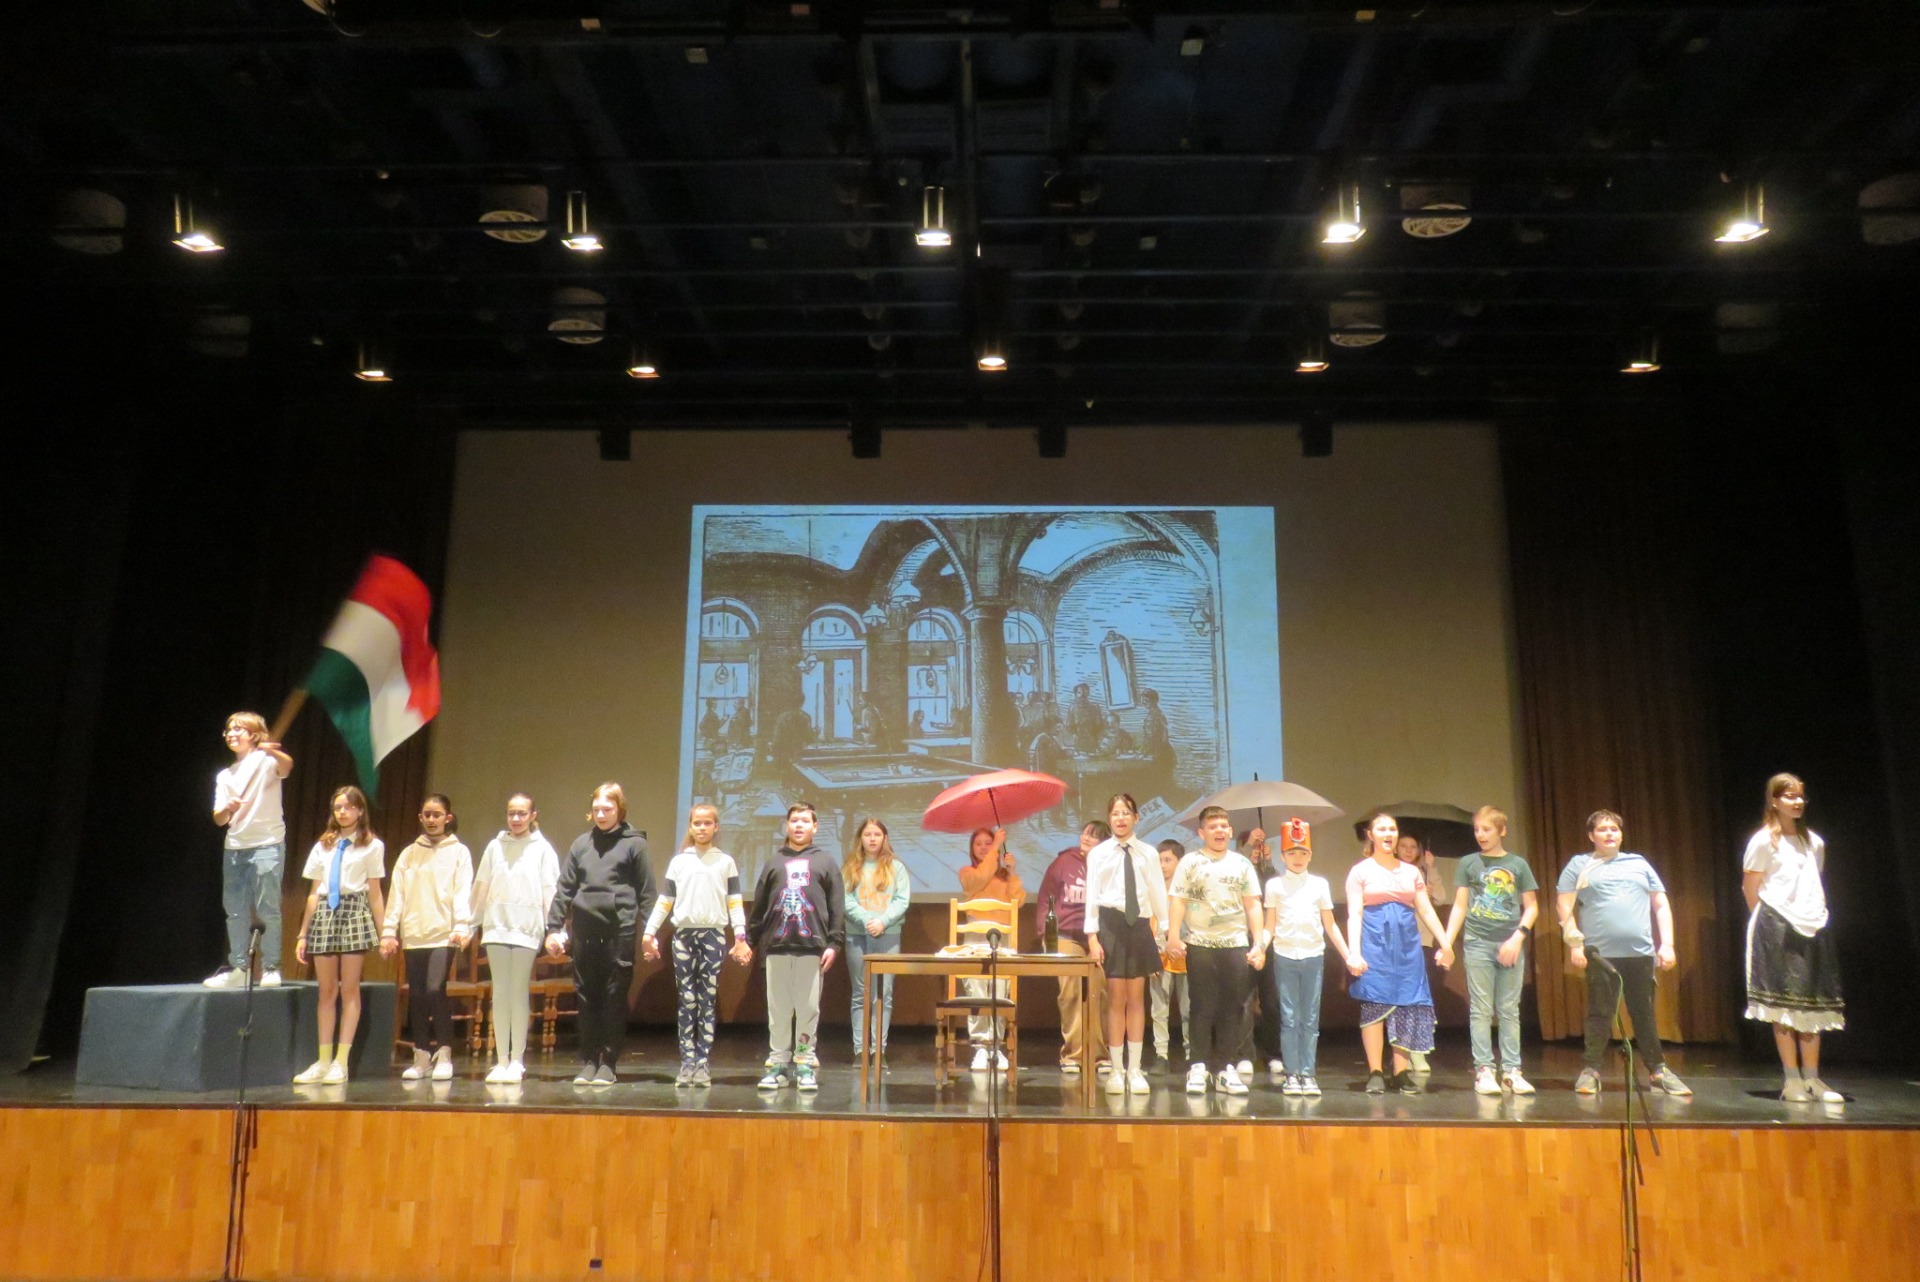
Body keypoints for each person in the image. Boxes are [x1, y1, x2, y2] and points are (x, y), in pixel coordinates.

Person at [1556, 809, 1691, 1096]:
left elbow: (1660, 904)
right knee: (1599, 1014)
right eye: (1602, 829)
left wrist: (1667, 944)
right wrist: (1575, 943)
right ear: (1591, 836)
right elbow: (1564, 906)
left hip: (1640, 953)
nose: (1609, 834)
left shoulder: (1638, 863)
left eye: (1614, 829)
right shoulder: (1580, 864)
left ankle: (1658, 1071)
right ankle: (1591, 1071)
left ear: (1621, 834)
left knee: (1644, 1014)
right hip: (1600, 954)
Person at [544, 783, 656, 1086]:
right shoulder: (581, 844)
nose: (601, 815)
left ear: (620, 810)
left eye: (607, 809)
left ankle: (608, 1062)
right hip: (585, 930)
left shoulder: (635, 844)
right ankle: (590, 1060)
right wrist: (553, 928)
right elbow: (565, 889)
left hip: (619, 930)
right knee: (587, 996)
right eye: (596, 810)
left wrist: (651, 931)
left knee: (613, 996)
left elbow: (647, 893)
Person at [1742, 773, 1845, 1104]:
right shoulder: (1763, 842)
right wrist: (1768, 925)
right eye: (1789, 796)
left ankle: (1812, 1078)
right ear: (1774, 801)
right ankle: (1792, 1080)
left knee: (1812, 1003)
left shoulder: (1814, 842)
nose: (1797, 802)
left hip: (1813, 924)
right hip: (1777, 925)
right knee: (1783, 1003)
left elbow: (1813, 881)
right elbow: (1750, 887)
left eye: (1801, 796)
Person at [643, 803, 750, 1088]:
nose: (702, 828)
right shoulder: (680, 862)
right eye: (697, 823)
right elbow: (665, 900)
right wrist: (649, 931)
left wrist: (740, 935)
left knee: (707, 999)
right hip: (684, 937)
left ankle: (703, 1064)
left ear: (716, 827)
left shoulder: (725, 862)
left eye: (707, 823)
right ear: (690, 827)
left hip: (713, 935)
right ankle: (686, 1062)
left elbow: (734, 901)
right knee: (687, 999)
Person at [1346, 810, 1452, 1095]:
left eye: (1392, 829)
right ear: (1371, 835)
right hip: (1374, 947)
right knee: (1374, 1005)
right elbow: (1355, 913)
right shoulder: (1360, 871)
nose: (1388, 834)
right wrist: (1353, 952)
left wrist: (1445, 943)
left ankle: (1401, 1072)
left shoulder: (1411, 872)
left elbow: (1426, 910)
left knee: (1408, 1006)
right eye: (1381, 829)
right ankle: (1375, 1071)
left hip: (1407, 949)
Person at [1440, 806, 1539, 1096]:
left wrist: (1517, 938)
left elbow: (1532, 907)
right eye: (1477, 830)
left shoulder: (1517, 864)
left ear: (1502, 831)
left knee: (1509, 1009)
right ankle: (1484, 1069)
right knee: (1481, 1008)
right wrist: (1447, 942)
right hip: (1478, 942)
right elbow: (1460, 905)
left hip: (1510, 943)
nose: (1481, 835)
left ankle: (1512, 1071)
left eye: (1487, 829)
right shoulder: (1469, 863)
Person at [291, 786, 387, 1085]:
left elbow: (375, 893)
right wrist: (303, 934)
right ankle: (322, 1060)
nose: (342, 812)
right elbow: (313, 892)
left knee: (349, 990)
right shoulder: (323, 845)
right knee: (326, 991)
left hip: (353, 910)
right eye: (337, 808)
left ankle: (340, 1062)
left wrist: (385, 933)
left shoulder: (372, 845)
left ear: (360, 810)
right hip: (325, 912)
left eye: (347, 807)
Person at [1166, 810, 1264, 1096]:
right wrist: (1173, 936)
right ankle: (1198, 1066)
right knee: (1201, 1006)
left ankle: (1225, 1068)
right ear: (1201, 833)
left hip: (1235, 944)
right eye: (1212, 826)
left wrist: (1258, 943)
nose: (1219, 830)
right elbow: (1178, 901)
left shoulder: (1242, 864)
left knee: (1233, 1007)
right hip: (1199, 943)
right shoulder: (1190, 862)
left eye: (1223, 826)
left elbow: (1253, 905)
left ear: (1230, 831)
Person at [747, 803, 844, 1091]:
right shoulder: (774, 862)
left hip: (812, 947)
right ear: (786, 826)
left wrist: (834, 942)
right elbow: (759, 906)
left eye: (805, 821)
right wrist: (749, 941)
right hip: (776, 947)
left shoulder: (826, 862)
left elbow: (837, 906)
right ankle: (778, 1064)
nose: (799, 825)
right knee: (778, 1010)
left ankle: (804, 1063)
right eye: (794, 820)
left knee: (807, 1009)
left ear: (815, 827)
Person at [379, 794, 474, 1082]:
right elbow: (397, 894)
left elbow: (462, 891)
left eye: (437, 815)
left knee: (435, 989)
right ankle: (421, 1054)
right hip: (414, 932)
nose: (431, 820)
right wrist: (389, 931)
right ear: (420, 818)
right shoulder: (409, 854)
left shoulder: (459, 852)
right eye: (427, 815)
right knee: (417, 994)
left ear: (448, 817)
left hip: (443, 933)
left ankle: (444, 1052)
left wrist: (462, 925)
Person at [1084, 794, 1170, 1095]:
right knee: (1115, 999)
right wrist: (1092, 936)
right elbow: (1092, 896)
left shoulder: (1147, 853)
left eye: (1126, 813)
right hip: (1110, 924)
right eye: (1115, 813)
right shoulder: (1098, 854)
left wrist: (1165, 930)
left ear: (1136, 817)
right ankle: (1116, 1070)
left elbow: (1157, 892)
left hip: (1140, 926)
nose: (1120, 818)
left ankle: (1134, 1069)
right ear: (1109, 818)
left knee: (1136, 998)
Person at [473, 792, 559, 1084]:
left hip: (526, 927)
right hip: (496, 926)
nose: (516, 818)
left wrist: (555, 928)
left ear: (533, 816)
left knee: (518, 990)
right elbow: (481, 887)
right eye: (512, 813)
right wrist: (468, 924)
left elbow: (550, 891)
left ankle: (517, 1061)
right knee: (500, 992)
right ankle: (501, 1061)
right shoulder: (495, 846)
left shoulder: (543, 849)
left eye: (522, 813)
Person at [205, 712, 294, 989]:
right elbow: (219, 818)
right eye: (228, 730)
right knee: (235, 910)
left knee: (268, 908)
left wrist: (271, 751)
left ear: (254, 735)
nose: (231, 734)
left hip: (267, 843)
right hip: (235, 847)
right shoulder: (225, 775)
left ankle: (271, 967)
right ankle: (240, 967)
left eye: (238, 729)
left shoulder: (266, 762)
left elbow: (287, 766)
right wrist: (228, 807)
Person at [1264, 819, 1352, 1097]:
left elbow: (1330, 925)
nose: (1298, 857)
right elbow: (1269, 925)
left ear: (1310, 855)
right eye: (1292, 852)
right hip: (1284, 955)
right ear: (1282, 856)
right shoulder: (1275, 886)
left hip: (1313, 956)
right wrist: (1259, 947)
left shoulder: (1319, 885)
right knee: (1290, 1017)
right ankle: (1292, 1073)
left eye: (1302, 852)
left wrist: (1348, 954)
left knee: (1310, 1017)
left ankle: (1308, 1073)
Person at [1035, 820, 1112, 1075]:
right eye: (1085, 833)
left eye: (1094, 836)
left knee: (1100, 992)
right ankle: (1073, 1054)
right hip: (1066, 935)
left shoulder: (1109, 865)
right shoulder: (1063, 862)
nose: (1086, 838)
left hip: (1099, 937)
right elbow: (1045, 899)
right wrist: (1045, 934)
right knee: (1070, 992)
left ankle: (1100, 1055)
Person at [958, 826, 1026, 1071]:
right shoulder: (967, 872)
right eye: (979, 844)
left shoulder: (1005, 876)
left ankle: (995, 1046)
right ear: (971, 849)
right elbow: (979, 879)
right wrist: (997, 845)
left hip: (1002, 938)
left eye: (988, 843)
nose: (984, 847)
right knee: (976, 990)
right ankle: (980, 1047)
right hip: (976, 937)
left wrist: (1012, 872)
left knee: (999, 991)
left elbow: (1019, 902)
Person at [843, 817, 911, 1061]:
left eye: (877, 834)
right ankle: (860, 1050)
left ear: (885, 838)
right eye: (867, 834)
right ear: (860, 838)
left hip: (887, 934)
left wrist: (882, 921)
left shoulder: (896, 868)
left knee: (884, 993)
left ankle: (878, 1049)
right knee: (860, 993)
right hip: (857, 935)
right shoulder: (851, 867)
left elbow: (901, 900)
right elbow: (845, 899)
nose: (872, 839)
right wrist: (867, 920)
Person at [1233, 826, 1282, 1076]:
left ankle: (1274, 1053)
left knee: (1271, 1002)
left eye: (1258, 847)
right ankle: (1244, 1054)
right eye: (1251, 847)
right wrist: (1248, 847)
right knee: (1243, 1001)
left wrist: (1269, 862)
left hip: (1268, 942)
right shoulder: (1236, 869)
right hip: (1241, 940)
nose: (1255, 851)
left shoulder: (1269, 875)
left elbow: (1278, 892)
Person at [1149, 840, 1190, 1068]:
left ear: (1179, 862)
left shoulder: (1187, 890)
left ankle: (1191, 1053)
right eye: (1160, 860)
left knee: (1189, 1009)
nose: (1163, 865)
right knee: (1159, 1009)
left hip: (1186, 957)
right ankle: (1161, 1054)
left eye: (1168, 860)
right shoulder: (1151, 891)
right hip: (1159, 957)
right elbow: (1147, 925)